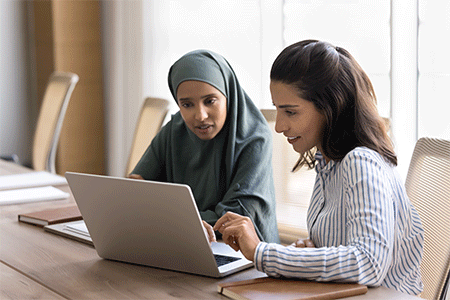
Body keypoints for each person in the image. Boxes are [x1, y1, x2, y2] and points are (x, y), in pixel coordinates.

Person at [214, 40, 424, 295]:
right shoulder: (329, 164)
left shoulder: (360, 162)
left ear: (330, 107)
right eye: (278, 109)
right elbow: (351, 248)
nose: (279, 126)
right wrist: (312, 252)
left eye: (290, 112)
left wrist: (262, 251)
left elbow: (369, 263)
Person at [129, 49, 279, 243]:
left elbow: (236, 218)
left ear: (228, 94)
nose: (200, 116)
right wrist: (183, 223)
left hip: (243, 253)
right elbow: (136, 186)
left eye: (210, 101)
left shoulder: (256, 139)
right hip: (181, 242)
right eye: (187, 104)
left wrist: (177, 220)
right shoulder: (174, 130)